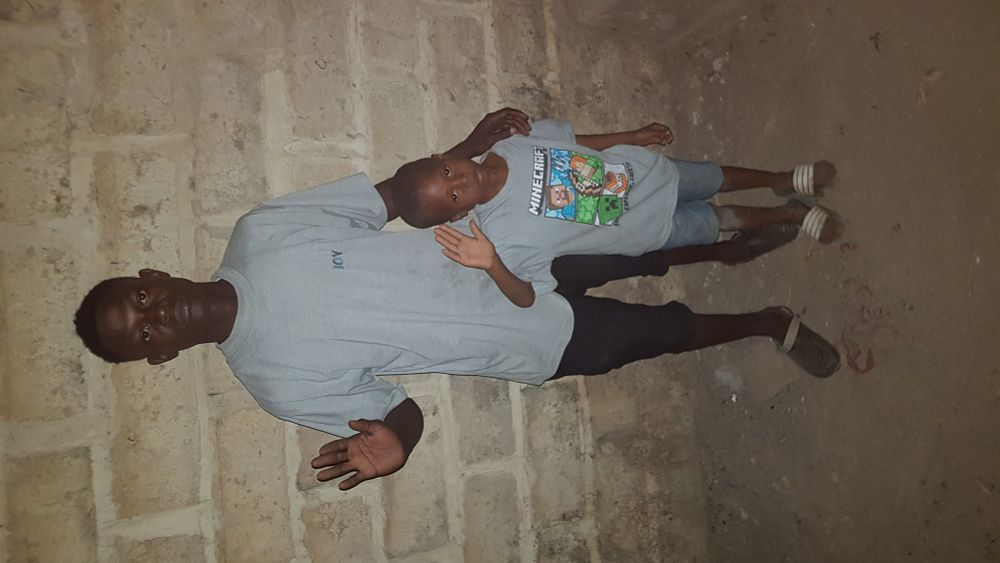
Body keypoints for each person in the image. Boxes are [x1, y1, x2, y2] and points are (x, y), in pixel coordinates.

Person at [74, 109, 838, 492]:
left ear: (154, 273)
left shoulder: (262, 232)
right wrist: (396, 443)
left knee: (648, 239)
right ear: (161, 356)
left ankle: (730, 240)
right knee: (660, 332)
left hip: (514, 243)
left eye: (140, 299)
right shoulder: (275, 383)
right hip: (522, 338)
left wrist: (469, 149)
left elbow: (391, 199)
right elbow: (396, 407)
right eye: (142, 334)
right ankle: (764, 323)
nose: (154, 316)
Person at [390, 119, 841, 309]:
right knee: (719, 220)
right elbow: (526, 298)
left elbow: (574, 141)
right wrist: (492, 264)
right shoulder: (500, 238)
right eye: (453, 196)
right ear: (457, 214)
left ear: (444, 155)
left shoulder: (510, 142)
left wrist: (634, 136)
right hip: (647, 229)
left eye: (446, 170)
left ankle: (781, 178)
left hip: (645, 173)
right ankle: (791, 214)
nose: (460, 180)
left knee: (714, 177)